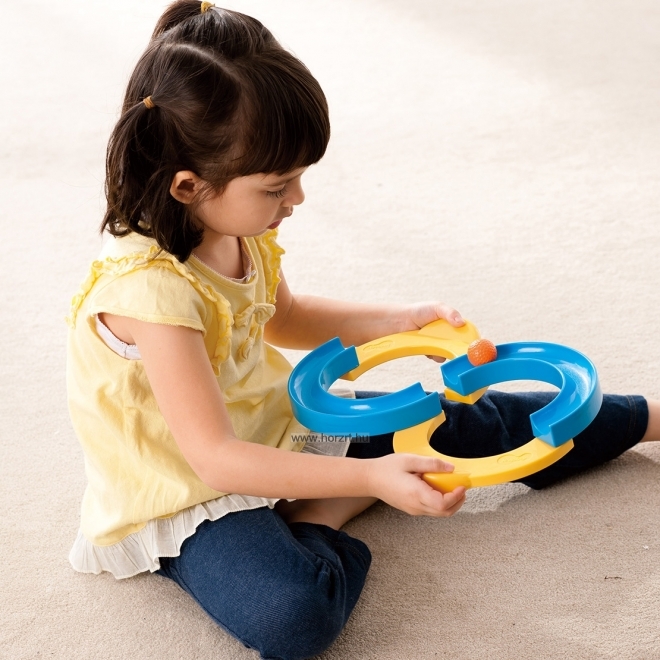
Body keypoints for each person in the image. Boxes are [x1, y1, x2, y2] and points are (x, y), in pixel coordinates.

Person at [65, 2, 660, 659]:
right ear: (188, 186)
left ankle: (646, 417)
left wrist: (397, 320)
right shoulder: (150, 293)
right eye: (277, 186)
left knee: (462, 418)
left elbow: (286, 317)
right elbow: (216, 459)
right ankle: (324, 510)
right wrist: (370, 482)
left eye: (299, 178)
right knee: (293, 614)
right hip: (191, 488)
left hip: (275, 423)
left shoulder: (236, 226)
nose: (297, 200)